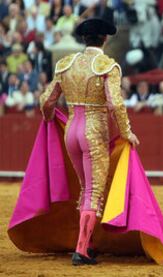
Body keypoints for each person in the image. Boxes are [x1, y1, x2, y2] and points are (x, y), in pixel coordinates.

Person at [39, 18, 139, 265]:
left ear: (84, 39)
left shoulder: (66, 64)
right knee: (94, 191)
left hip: (71, 130)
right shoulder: (107, 66)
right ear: (105, 38)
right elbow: (115, 103)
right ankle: (81, 250)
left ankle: (88, 243)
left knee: (86, 189)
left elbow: (46, 101)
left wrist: (49, 119)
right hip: (93, 132)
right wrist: (127, 132)